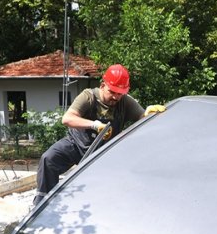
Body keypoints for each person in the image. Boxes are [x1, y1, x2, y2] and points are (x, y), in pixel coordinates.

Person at [32, 65, 164, 207]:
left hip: (104, 153)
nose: (116, 97)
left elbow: (141, 117)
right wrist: (93, 124)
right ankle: (43, 204)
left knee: (113, 182)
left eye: (120, 93)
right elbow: (67, 119)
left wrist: (147, 115)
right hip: (76, 145)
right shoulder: (88, 96)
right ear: (102, 85)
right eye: (112, 92)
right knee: (49, 159)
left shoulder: (125, 101)